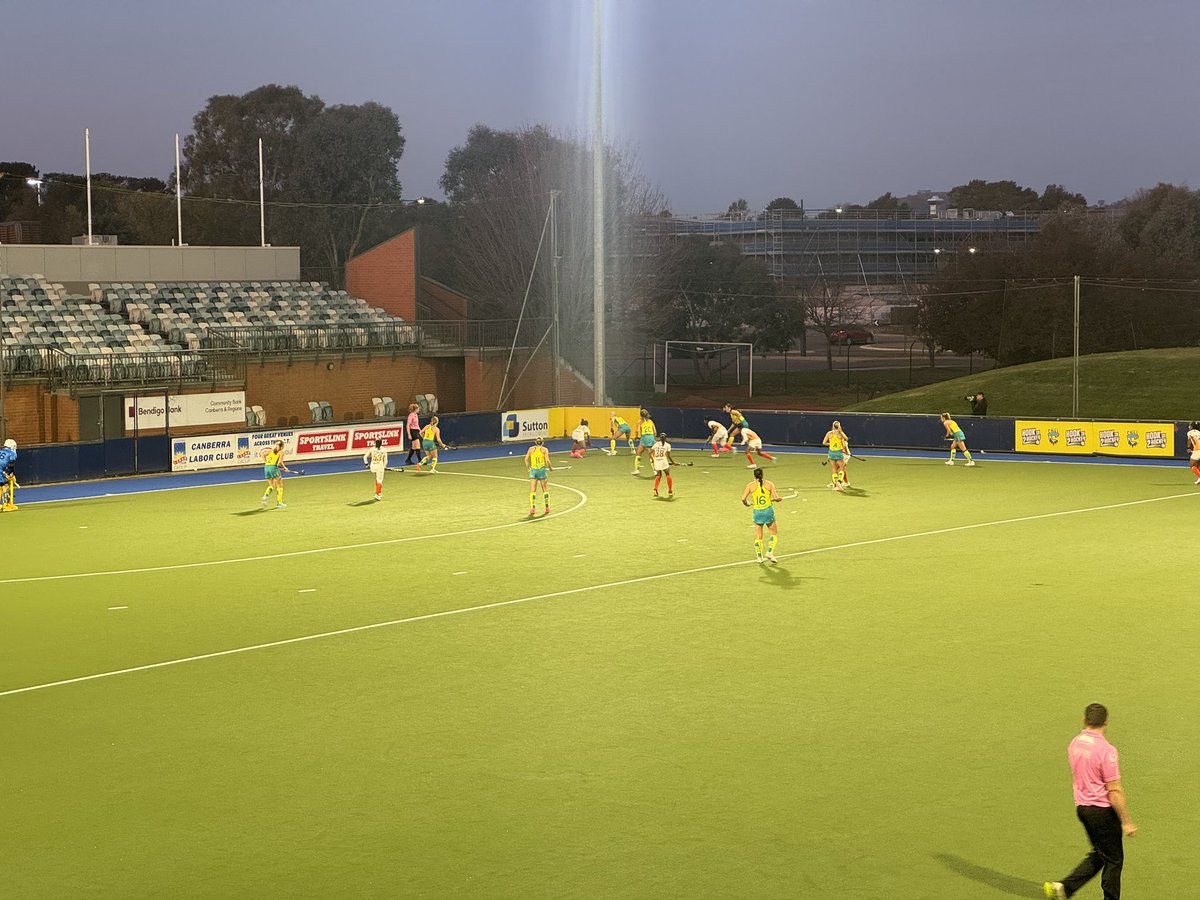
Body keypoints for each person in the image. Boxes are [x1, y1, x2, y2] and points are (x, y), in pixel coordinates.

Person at [1043, 703, 1137, 900]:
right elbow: (1114, 790)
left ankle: (1064, 888)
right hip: (1102, 811)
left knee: (1102, 853)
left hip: (1083, 809)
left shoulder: (1074, 743)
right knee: (1114, 860)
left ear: (1085, 720)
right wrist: (1126, 821)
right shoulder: (1106, 751)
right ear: (1106, 722)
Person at [740, 467, 783, 564]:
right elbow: (776, 498)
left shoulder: (750, 485)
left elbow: (743, 499)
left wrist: (746, 503)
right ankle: (770, 552)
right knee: (773, 533)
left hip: (757, 512)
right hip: (768, 511)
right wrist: (779, 499)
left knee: (758, 536)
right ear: (762, 475)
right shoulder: (769, 484)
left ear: (754, 476)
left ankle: (759, 557)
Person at [524, 436, 552, 516]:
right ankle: (547, 507)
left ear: (535, 442)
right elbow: (547, 460)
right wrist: (550, 468)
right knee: (545, 489)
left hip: (534, 471)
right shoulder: (544, 450)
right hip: (542, 471)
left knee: (533, 490)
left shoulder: (531, 449)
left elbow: (526, 459)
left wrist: (528, 468)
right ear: (542, 442)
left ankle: (532, 508)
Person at [260, 440, 289, 508]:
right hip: (273, 468)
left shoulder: (270, 450)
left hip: (266, 467)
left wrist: (266, 462)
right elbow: (280, 462)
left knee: (271, 485)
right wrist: (285, 468)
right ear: (282, 446)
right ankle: (279, 503)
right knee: (279, 485)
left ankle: (265, 496)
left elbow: (263, 455)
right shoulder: (281, 452)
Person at [823, 421, 849, 492]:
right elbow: (845, 441)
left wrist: (831, 444)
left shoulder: (829, 433)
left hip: (831, 453)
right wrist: (841, 432)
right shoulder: (840, 434)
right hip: (838, 453)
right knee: (842, 468)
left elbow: (824, 443)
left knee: (834, 469)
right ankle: (839, 483)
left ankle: (835, 485)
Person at [650, 432, 676, 497]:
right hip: (663, 461)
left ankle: (655, 490)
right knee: (667, 474)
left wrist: (653, 459)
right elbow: (669, 456)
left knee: (658, 475)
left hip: (657, 461)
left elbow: (650, 453)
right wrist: (673, 462)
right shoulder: (668, 445)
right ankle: (670, 491)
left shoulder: (656, 444)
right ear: (665, 438)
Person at [632, 409, 656, 474]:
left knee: (638, 453)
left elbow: (637, 431)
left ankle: (637, 470)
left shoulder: (640, 421)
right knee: (651, 454)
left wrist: (636, 436)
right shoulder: (650, 421)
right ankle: (655, 470)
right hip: (651, 437)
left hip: (644, 437)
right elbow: (655, 431)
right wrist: (653, 438)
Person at [0, 438, 18, 512]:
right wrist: (9, 473)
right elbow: (11, 465)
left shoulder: (1, 451)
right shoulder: (12, 453)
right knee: (5, 486)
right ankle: (5, 505)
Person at [1188, 420, 1200, 485]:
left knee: (1192, 465)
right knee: (1198, 465)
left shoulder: (1190, 432)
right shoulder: (1199, 432)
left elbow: (1189, 440)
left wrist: (1188, 447)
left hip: (1197, 450)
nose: (1189, 427)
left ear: (1192, 427)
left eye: (1189, 425)